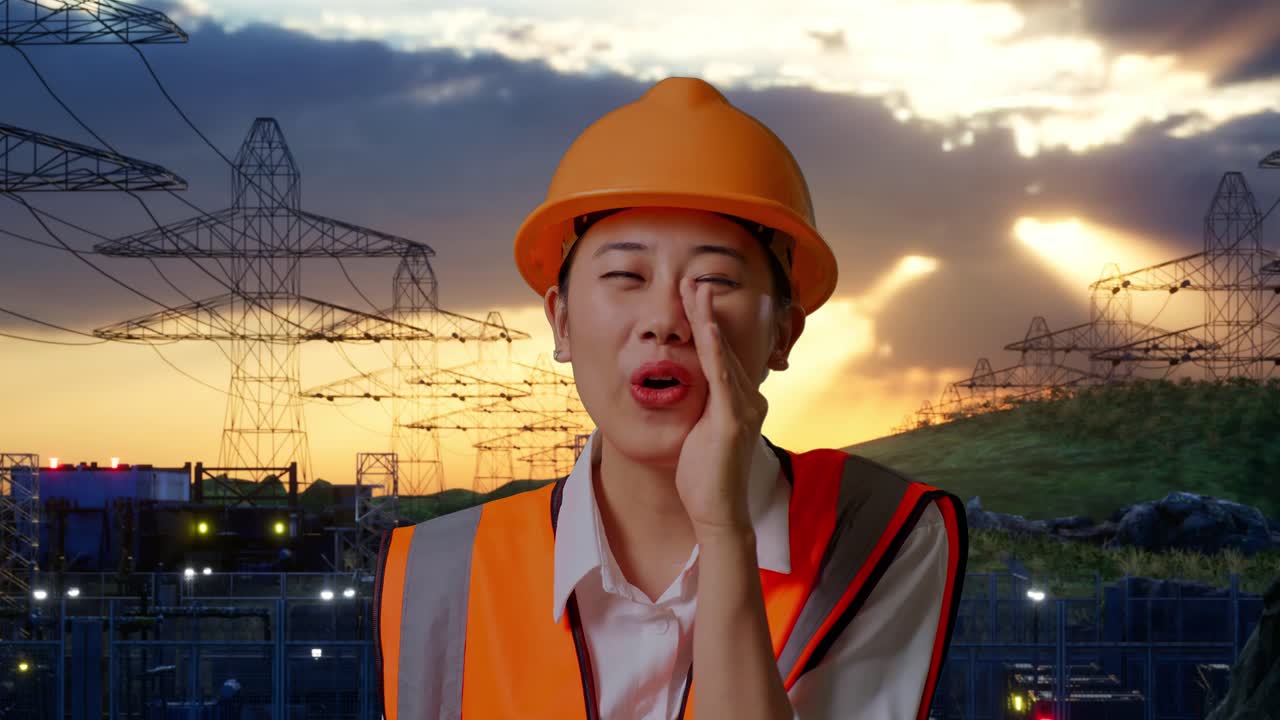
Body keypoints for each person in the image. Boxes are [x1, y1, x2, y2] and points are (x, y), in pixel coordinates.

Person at [375, 76, 968, 720]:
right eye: (625, 275)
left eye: (714, 279)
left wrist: (725, 534)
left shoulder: (880, 531)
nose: (666, 319)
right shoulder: (439, 571)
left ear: (783, 333)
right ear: (561, 322)